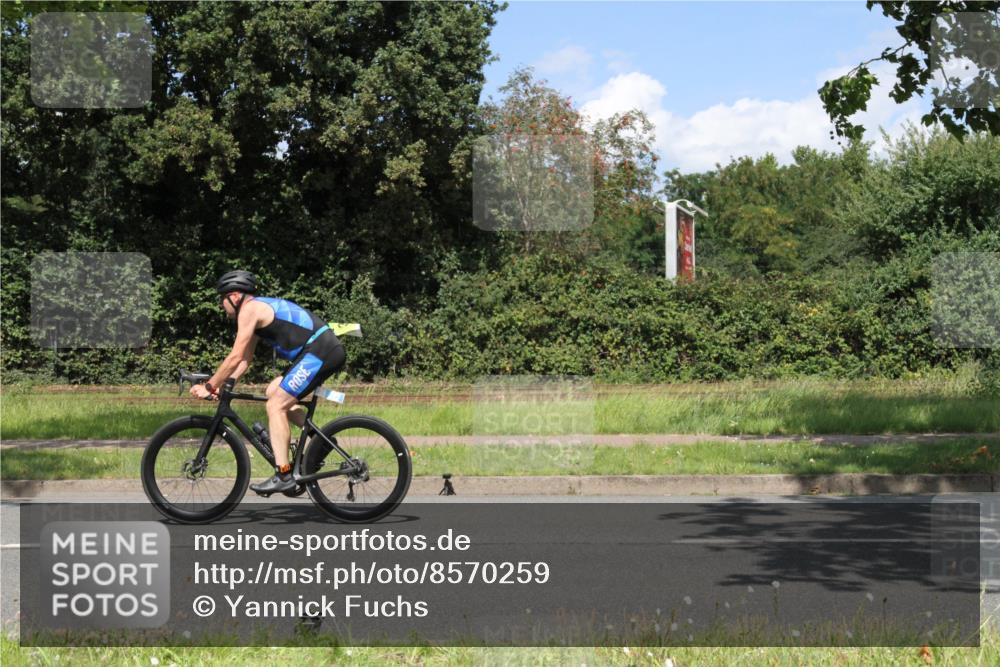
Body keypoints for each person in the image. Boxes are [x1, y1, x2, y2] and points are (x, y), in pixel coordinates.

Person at [190, 270, 345, 493]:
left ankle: (283, 474)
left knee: (275, 405)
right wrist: (225, 386)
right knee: (274, 391)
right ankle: (321, 443)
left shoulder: (249, 310)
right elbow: (244, 359)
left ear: (234, 296)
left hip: (319, 351)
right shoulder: (255, 310)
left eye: (221, 299)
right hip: (316, 351)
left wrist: (209, 386)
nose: (221, 306)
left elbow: (233, 356)